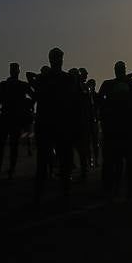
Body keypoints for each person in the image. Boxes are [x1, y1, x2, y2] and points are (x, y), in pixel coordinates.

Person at [33, 48, 80, 200]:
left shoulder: (43, 78)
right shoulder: (67, 78)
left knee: (43, 163)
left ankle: (40, 195)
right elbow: (74, 102)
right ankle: (64, 193)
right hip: (61, 125)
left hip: (48, 124)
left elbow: (38, 95)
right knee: (63, 162)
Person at [97, 61, 132, 197]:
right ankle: (122, 188)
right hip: (121, 130)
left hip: (117, 129)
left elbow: (100, 103)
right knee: (122, 161)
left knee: (118, 161)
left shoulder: (109, 85)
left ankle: (116, 188)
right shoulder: (129, 84)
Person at [0, 62, 32, 179]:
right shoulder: (18, 85)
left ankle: (1, 168)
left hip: (9, 117)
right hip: (11, 118)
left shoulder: (6, 85)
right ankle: (5, 168)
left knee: (5, 144)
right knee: (9, 145)